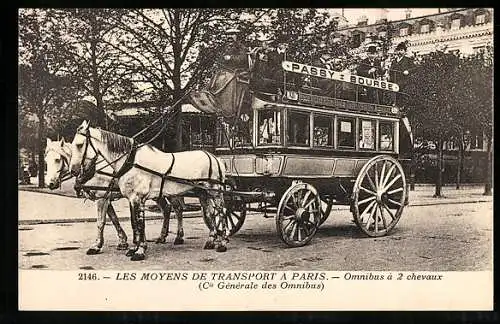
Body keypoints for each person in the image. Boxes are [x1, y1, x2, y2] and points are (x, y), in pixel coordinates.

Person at [388, 42, 414, 107]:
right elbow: (391, 70)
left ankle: (401, 107)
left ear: (405, 51)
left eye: (401, 50)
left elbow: (415, 68)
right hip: (394, 81)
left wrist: (408, 71)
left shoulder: (408, 60)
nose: (400, 52)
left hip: (404, 81)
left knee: (401, 95)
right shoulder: (394, 61)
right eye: (398, 50)